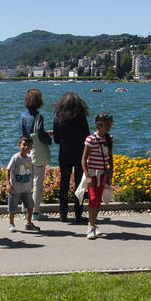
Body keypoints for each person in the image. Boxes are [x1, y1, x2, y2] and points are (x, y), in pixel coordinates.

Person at [52, 91, 90, 224]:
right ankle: (78, 214)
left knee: (64, 184)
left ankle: (63, 214)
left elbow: (56, 139)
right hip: (79, 154)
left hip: (64, 153)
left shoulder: (58, 117)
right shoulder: (81, 117)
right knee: (79, 184)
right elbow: (87, 136)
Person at [19, 88, 52, 217]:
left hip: (25, 152)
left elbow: (23, 135)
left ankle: (24, 211)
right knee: (38, 183)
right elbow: (41, 135)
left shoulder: (22, 116)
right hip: (37, 154)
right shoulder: (39, 117)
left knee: (26, 183)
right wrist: (49, 138)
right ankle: (35, 212)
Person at [81, 112, 114, 240]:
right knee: (93, 199)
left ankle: (94, 224)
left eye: (110, 124)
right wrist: (87, 176)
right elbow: (83, 159)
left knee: (98, 199)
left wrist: (111, 172)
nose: (109, 127)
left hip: (103, 174)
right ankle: (91, 226)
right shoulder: (91, 139)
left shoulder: (109, 138)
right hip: (93, 174)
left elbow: (110, 157)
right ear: (99, 125)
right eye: (107, 125)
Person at [6, 136, 38, 232]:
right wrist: (8, 183)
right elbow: (8, 170)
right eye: (24, 144)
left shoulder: (29, 158)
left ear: (31, 148)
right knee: (12, 208)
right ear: (19, 145)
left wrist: (32, 183)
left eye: (29, 145)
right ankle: (11, 223)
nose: (26, 147)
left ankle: (28, 223)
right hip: (15, 189)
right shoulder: (15, 158)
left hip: (26, 189)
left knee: (30, 205)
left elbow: (31, 171)